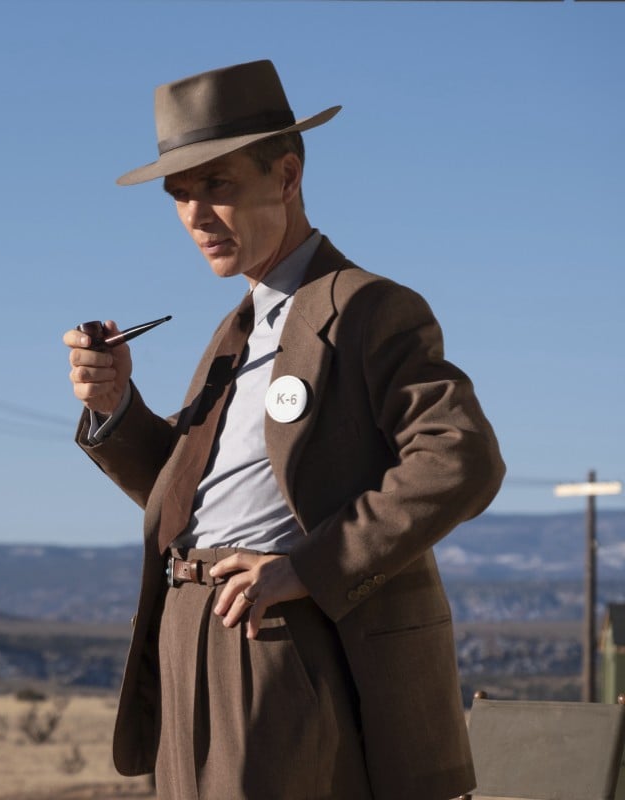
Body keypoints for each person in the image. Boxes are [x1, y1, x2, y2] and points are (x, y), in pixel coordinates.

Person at [63, 59, 504, 800]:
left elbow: (460, 457)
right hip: (188, 630)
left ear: (288, 176)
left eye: (219, 186)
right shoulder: (240, 327)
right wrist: (116, 406)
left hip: (275, 635)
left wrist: (314, 565)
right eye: (180, 195)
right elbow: (186, 496)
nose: (197, 215)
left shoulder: (365, 308)